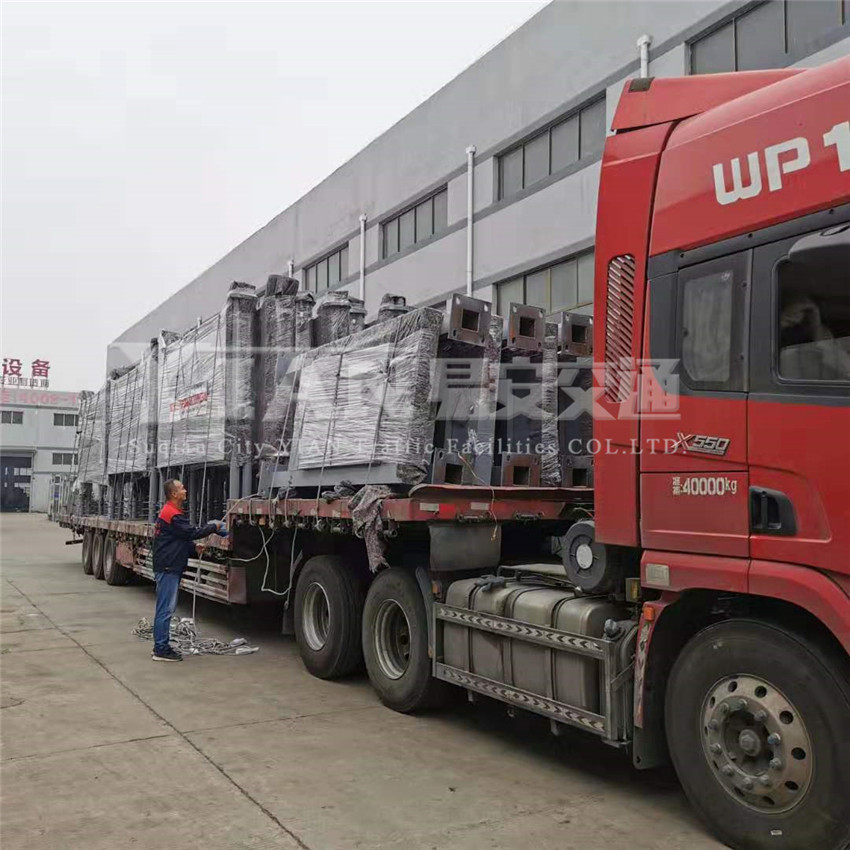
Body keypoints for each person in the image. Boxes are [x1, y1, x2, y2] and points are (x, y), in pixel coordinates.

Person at [151, 478, 226, 662]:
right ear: (174, 494)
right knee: (165, 610)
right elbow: (191, 532)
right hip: (168, 566)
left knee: (165, 608)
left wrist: (193, 548)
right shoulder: (172, 514)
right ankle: (161, 649)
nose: (185, 490)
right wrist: (214, 527)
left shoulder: (172, 512)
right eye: (182, 488)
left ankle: (161, 646)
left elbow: (178, 538)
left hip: (168, 564)